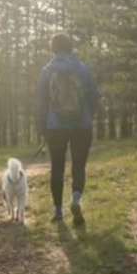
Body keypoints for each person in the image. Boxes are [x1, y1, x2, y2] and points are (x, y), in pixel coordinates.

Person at [37, 33, 99, 226]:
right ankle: (75, 199)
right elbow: (94, 97)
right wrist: (88, 115)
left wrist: (42, 127)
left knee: (57, 168)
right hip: (81, 125)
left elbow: (41, 102)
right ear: (71, 47)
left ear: (53, 49)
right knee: (78, 166)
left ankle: (57, 212)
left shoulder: (47, 71)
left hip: (55, 126)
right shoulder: (83, 69)